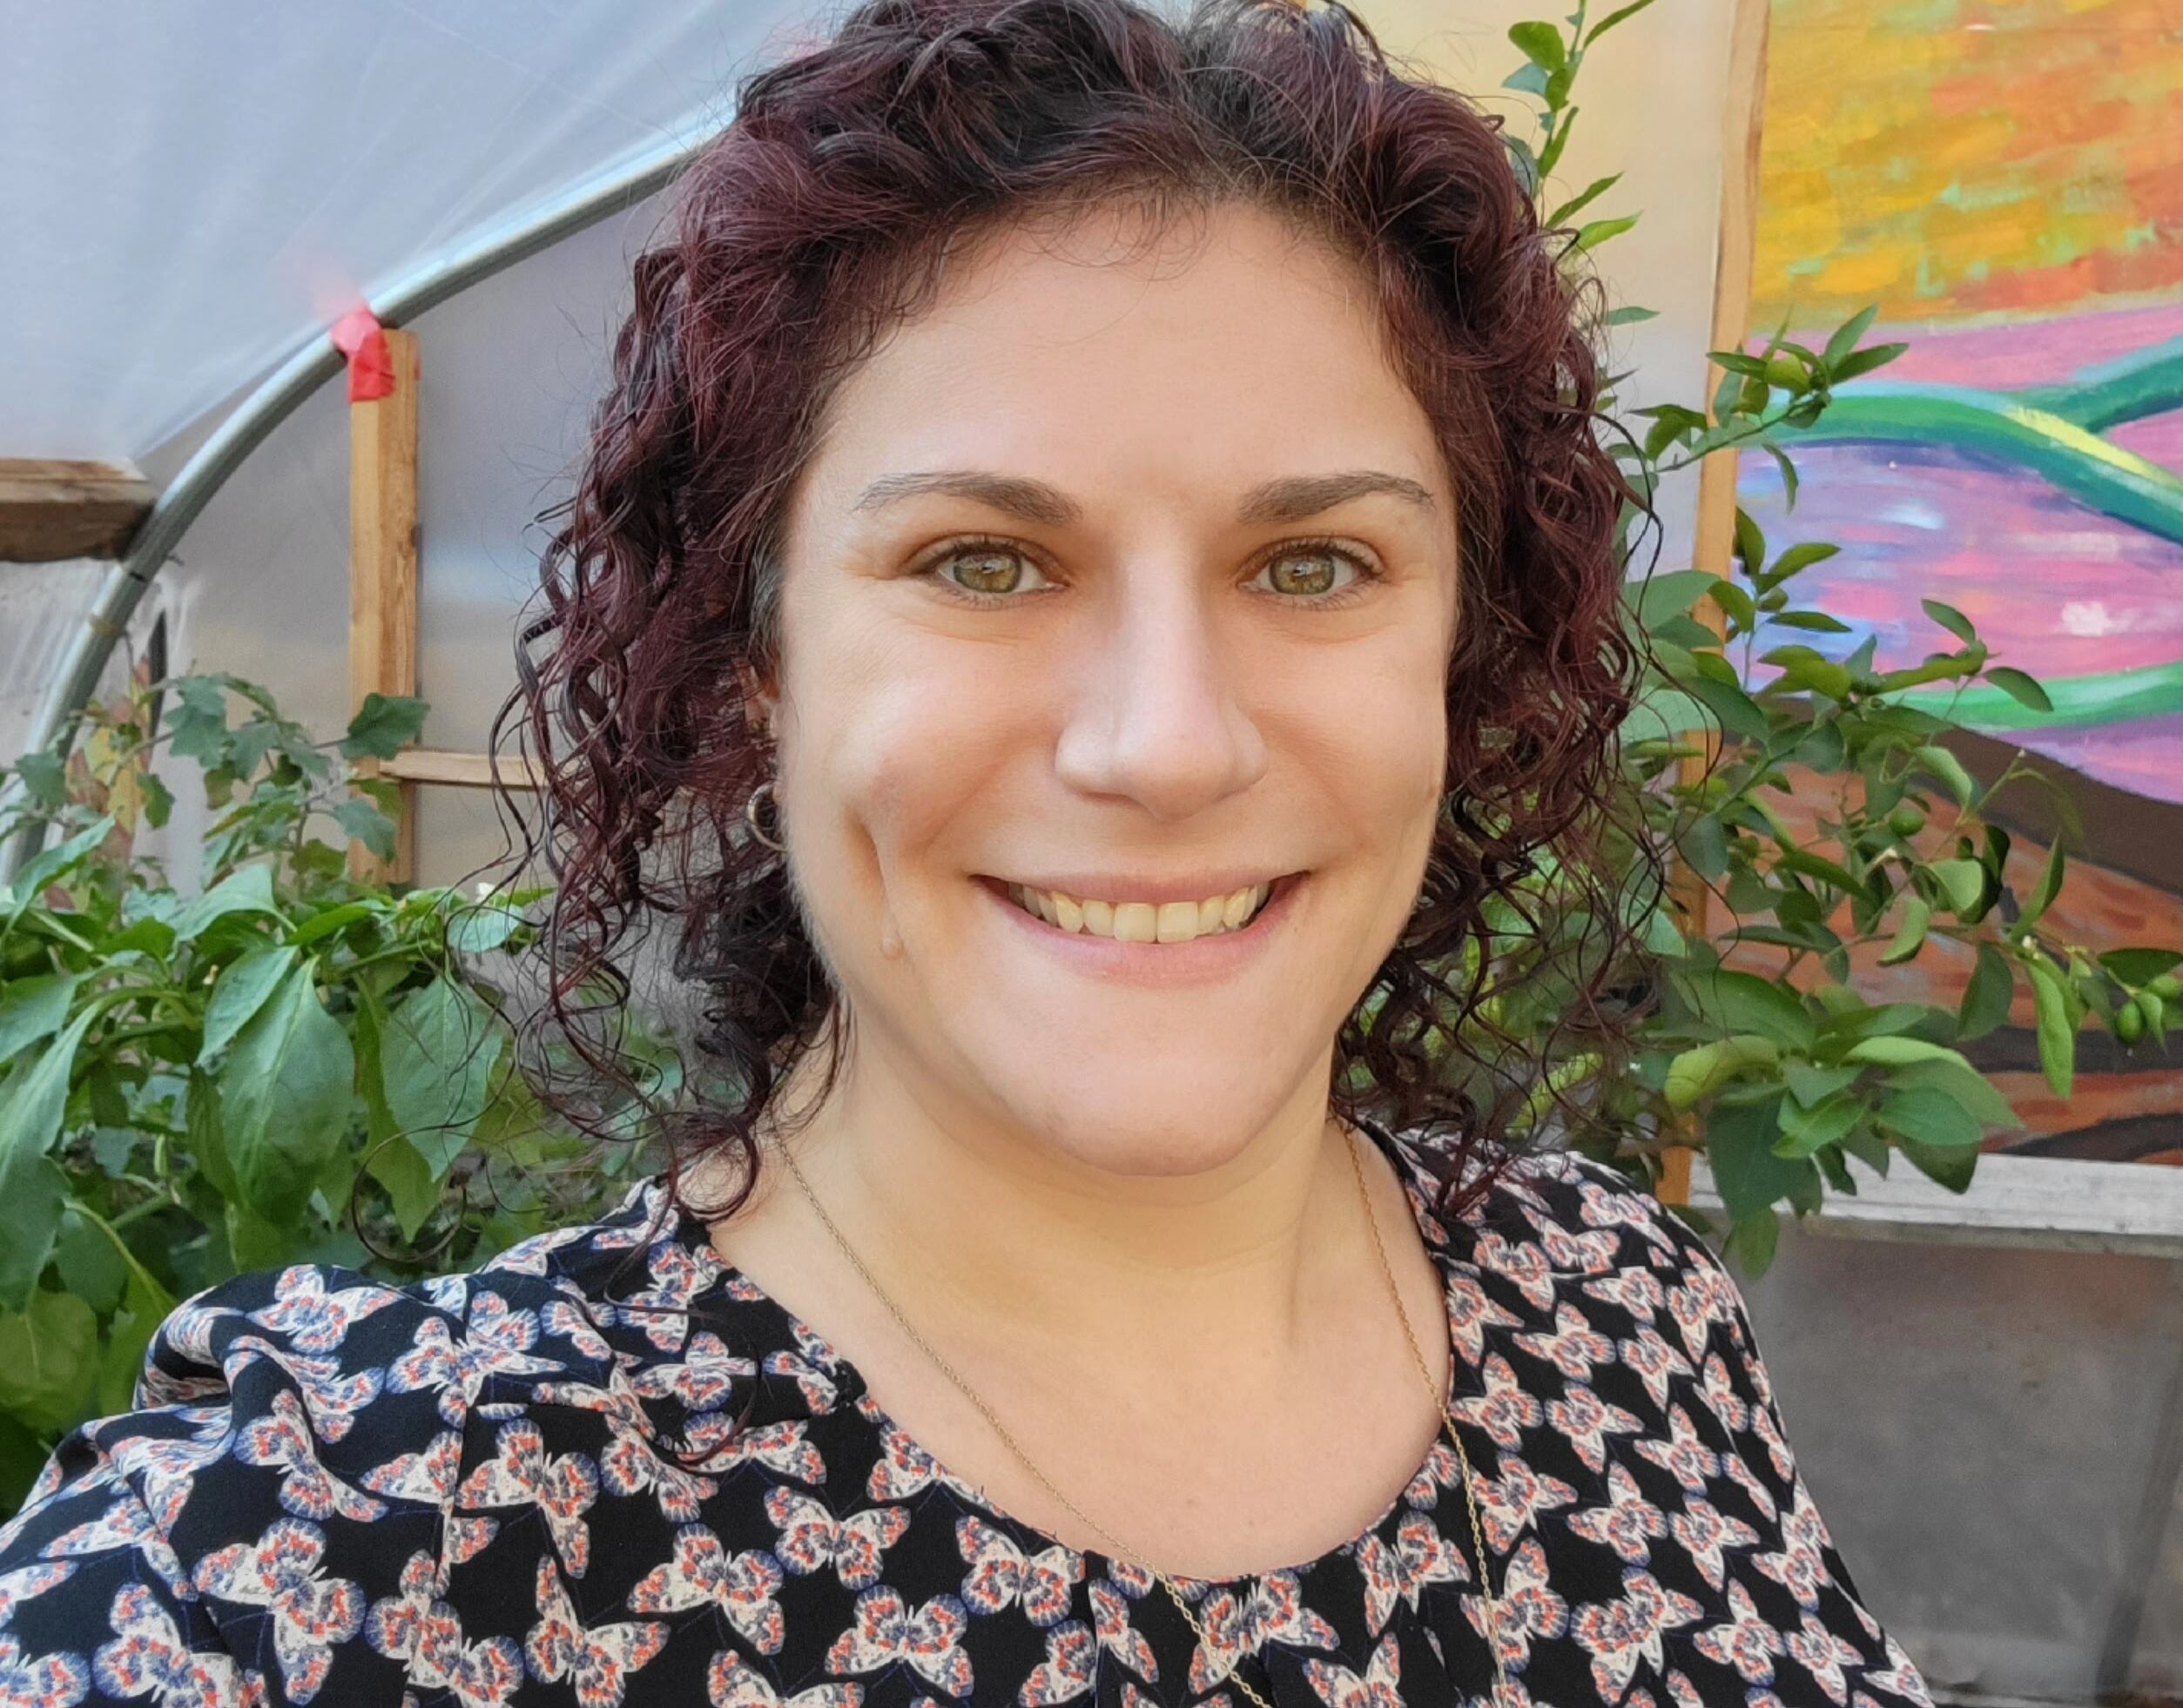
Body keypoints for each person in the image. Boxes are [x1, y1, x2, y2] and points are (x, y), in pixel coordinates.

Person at [0, 0, 1937, 1700]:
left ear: (1460, 642)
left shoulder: (1615, 1312)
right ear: (757, 664)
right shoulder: (331, 1571)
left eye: (1313, 563)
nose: (1164, 741)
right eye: (982, 562)